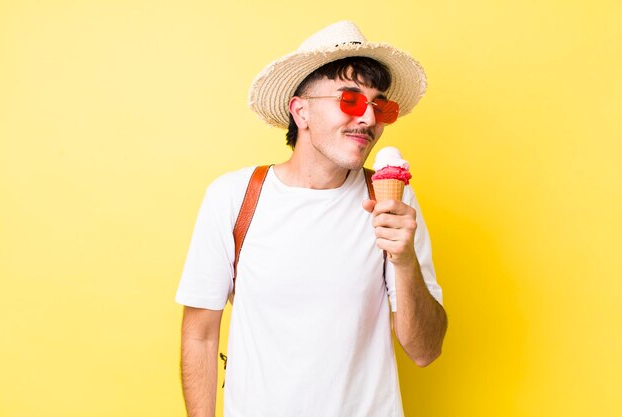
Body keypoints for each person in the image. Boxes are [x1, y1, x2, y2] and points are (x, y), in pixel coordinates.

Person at [176, 21, 447, 417]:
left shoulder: (390, 202)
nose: (369, 119)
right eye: (351, 100)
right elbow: (199, 335)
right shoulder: (234, 197)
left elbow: (425, 351)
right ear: (300, 110)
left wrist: (404, 260)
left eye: (380, 106)